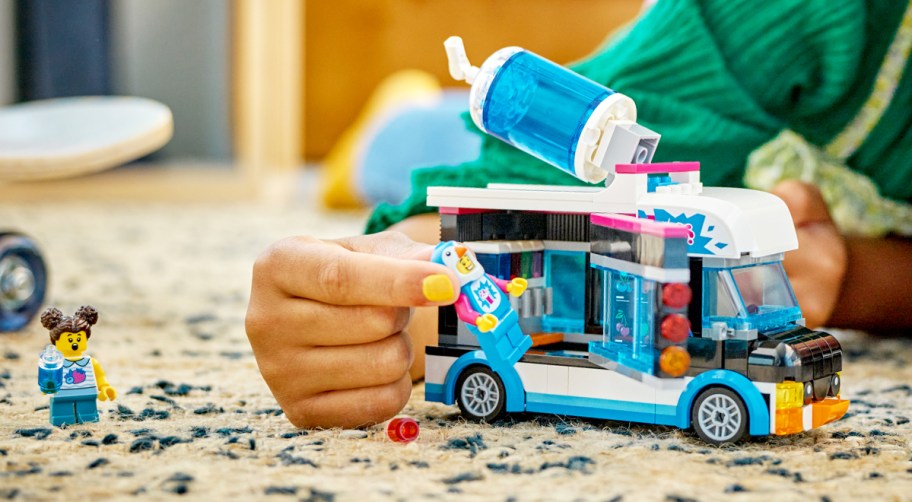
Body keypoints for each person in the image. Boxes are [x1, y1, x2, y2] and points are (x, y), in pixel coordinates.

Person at [246, 0, 912, 429]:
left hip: (751, 189)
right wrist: (380, 311)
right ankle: (401, 112)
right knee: (415, 145)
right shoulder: (800, 17)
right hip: (673, 138)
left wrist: (859, 276)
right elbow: (511, 207)